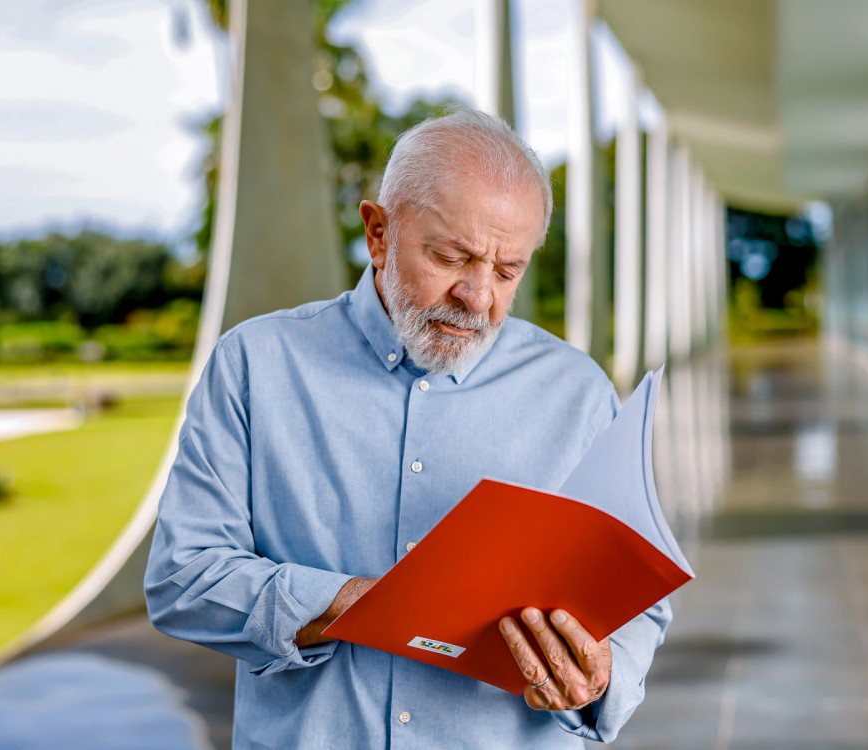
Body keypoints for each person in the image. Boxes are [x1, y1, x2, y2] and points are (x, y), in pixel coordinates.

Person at [144, 107, 672, 749]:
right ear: (378, 233)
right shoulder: (255, 364)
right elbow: (184, 576)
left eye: (509, 271)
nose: (479, 298)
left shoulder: (578, 391)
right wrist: (357, 603)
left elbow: (638, 600)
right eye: (453, 257)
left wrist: (601, 674)